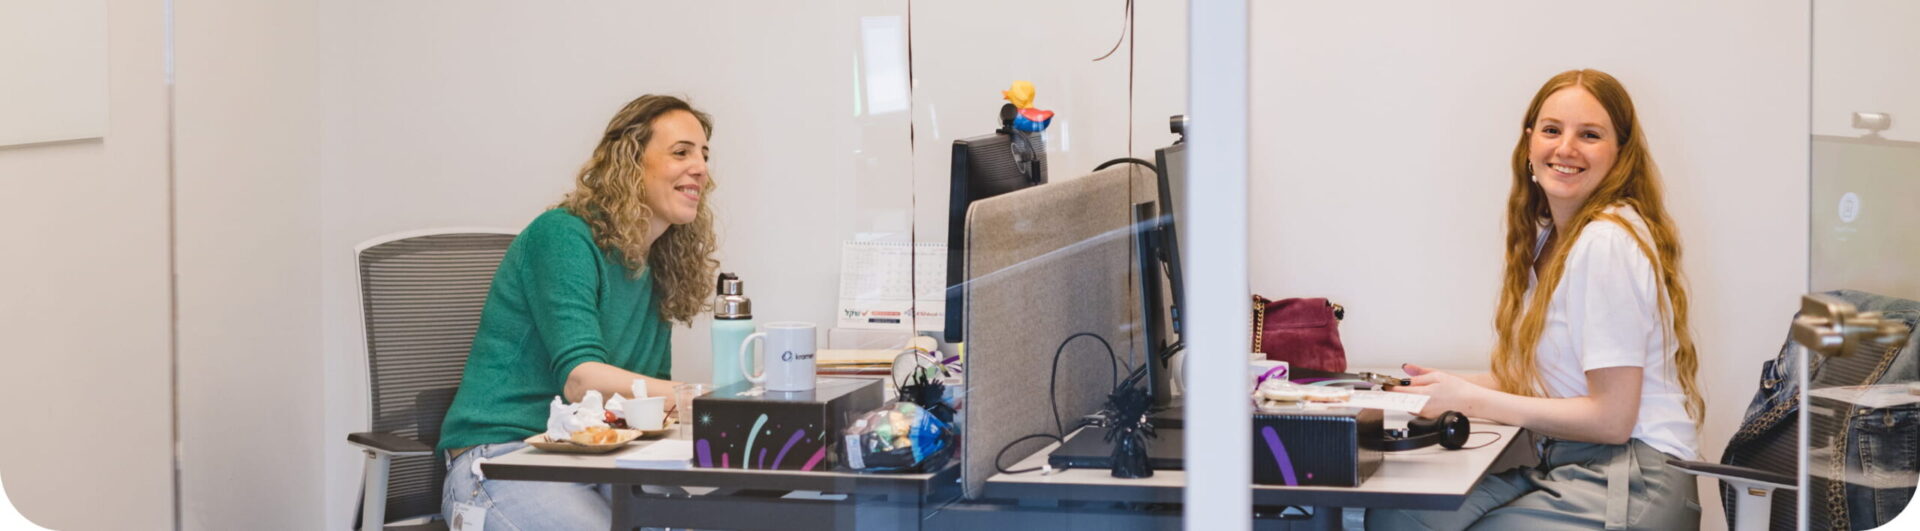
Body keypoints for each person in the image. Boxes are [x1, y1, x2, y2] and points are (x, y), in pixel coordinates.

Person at [1369, 70, 1704, 530]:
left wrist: (1470, 400)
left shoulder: (1606, 241)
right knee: (1401, 519)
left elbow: (1611, 419)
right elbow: (1545, 378)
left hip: (1633, 476)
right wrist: (1438, 388)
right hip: (1571, 465)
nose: (1565, 148)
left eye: (1589, 135)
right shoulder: (1551, 238)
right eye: (1552, 130)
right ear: (1530, 142)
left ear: (1620, 154)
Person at [436, 94, 719, 530]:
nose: (700, 166)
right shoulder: (563, 235)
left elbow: (636, 404)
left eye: (703, 154)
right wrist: (702, 400)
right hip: (503, 459)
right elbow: (582, 380)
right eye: (681, 152)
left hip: (597, 461)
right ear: (630, 162)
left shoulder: (659, 265)